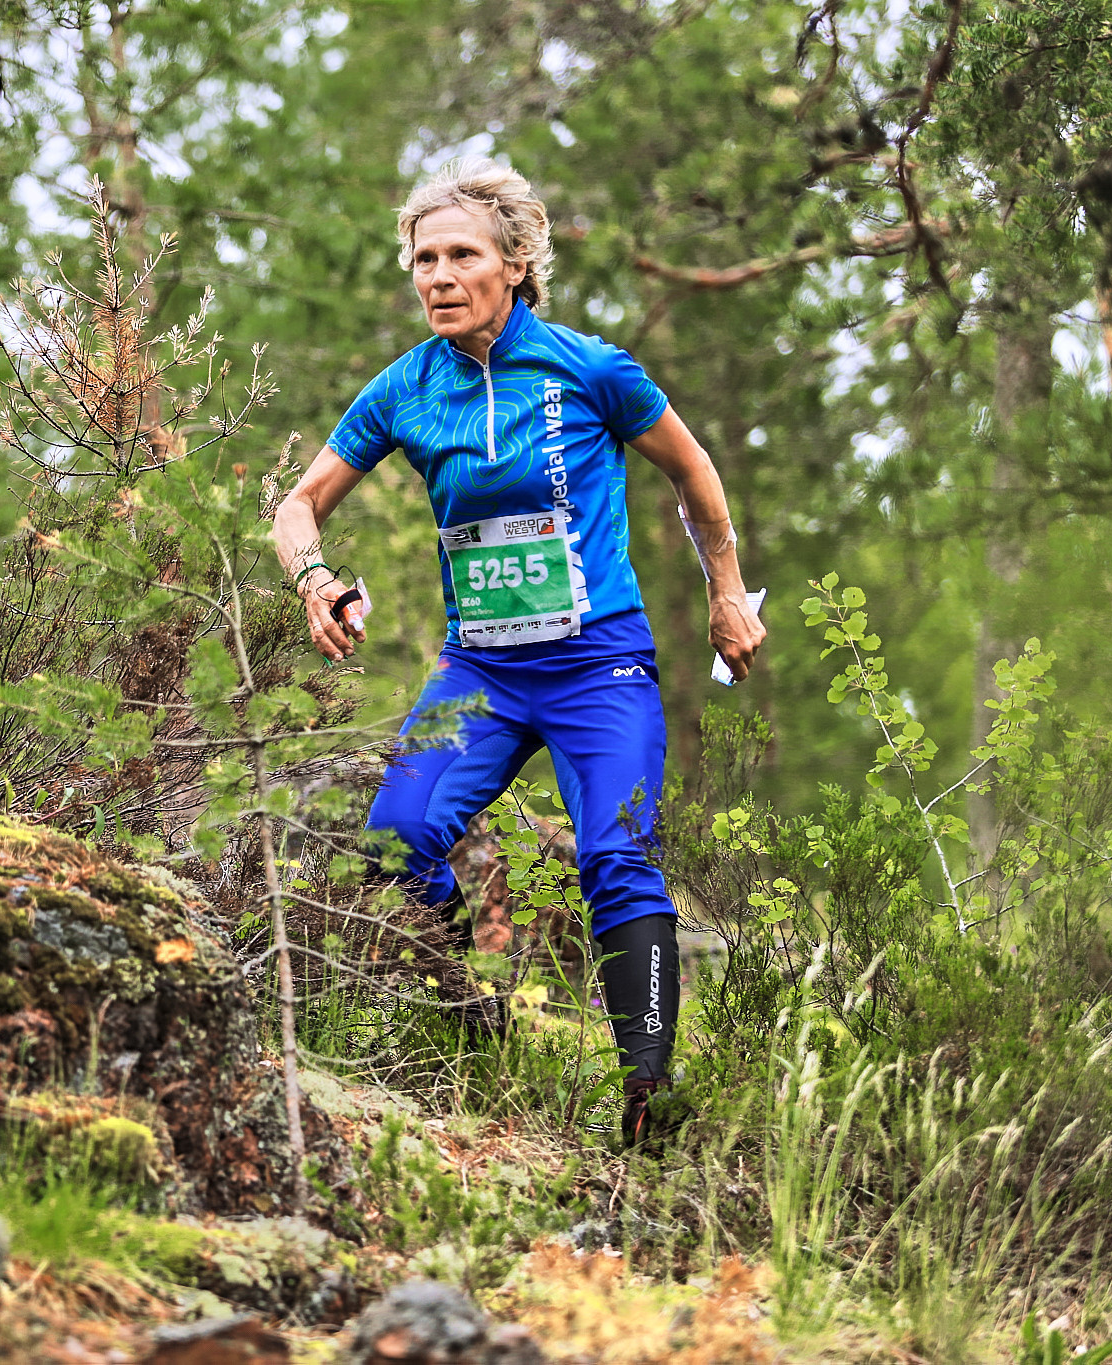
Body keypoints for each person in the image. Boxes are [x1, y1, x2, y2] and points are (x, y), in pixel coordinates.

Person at [272, 157, 765, 1144]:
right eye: (421, 259)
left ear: (514, 264)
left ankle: (646, 1099)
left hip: (598, 667)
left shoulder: (590, 369)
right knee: (392, 836)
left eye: (459, 255)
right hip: (482, 673)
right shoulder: (402, 389)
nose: (436, 276)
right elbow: (295, 506)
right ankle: (471, 992)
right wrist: (314, 580)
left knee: (616, 856)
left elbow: (692, 470)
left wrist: (723, 594)